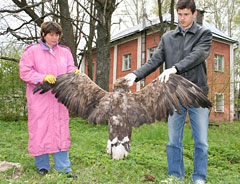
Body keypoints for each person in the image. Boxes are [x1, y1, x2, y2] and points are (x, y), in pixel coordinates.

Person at [124, 0, 212, 183]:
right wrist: (135, 75)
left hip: (197, 95)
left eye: (186, 14)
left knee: (201, 141)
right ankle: (175, 176)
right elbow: (154, 61)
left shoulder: (204, 34)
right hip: (174, 96)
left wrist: (175, 68)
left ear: (194, 14)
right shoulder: (168, 38)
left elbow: (198, 55)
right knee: (173, 141)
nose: (182, 18)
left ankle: (199, 177)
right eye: (179, 14)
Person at [19, 21, 79, 178]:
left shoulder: (65, 52)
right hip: (40, 99)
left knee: (61, 129)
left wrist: (74, 73)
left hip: (59, 98)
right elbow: (25, 72)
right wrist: (42, 77)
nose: (55, 38)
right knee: (40, 130)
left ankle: (64, 168)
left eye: (57, 35)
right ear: (44, 35)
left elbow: (70, 68)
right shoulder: (32, 52)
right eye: (51, 34)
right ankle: (42, 166)